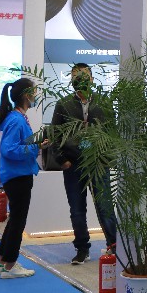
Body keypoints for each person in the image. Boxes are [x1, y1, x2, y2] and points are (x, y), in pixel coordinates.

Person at [50, 63, 117, 264]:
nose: (80, 80)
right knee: (77, 210)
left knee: (105, 207)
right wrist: (62, 159)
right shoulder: (63, 104)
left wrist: (108, 158)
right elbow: (54, 134)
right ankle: (82, 248)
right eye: (76, 77)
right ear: (71, 80)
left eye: (84, 76)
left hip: (98, 164)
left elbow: (112, 132)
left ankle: (113, 246)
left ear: (92, 79)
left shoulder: (104, 102)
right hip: (74, 165)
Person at [0, 78, 50, 279]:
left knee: (14, 219)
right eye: (34, 92)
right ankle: (10, 265)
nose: (36, 96)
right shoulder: (17, 120)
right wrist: (36, 147)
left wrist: (36, 145)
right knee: (18, 221)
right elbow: (9, 149)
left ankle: (2, 262)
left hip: (17, 175)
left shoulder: (17, 118)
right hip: (18, 176)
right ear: (27, 95)